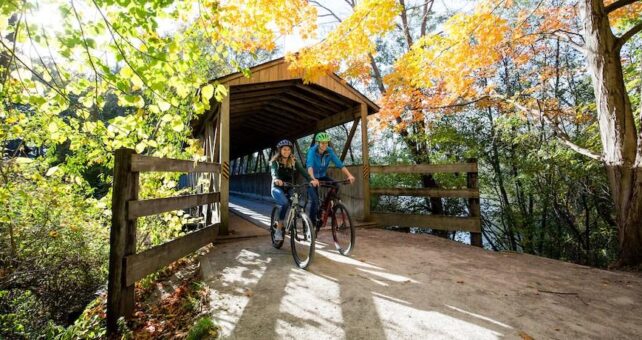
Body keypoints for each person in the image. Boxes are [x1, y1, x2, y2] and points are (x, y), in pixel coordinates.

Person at [306, 132, 355, 228]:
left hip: (322, 176)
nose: (324, 145)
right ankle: (311, 224)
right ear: (317, 143)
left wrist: (349, 175)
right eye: (322, 143)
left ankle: (327, 206)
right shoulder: (312, 151)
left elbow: (339, 163)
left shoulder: (329, 151)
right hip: (312, 177)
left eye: (326, 143)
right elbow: (310, 166)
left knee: (336, 185)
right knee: (315, 201)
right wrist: (313, 179)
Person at [270, 139, 313, 241]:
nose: (286, 152)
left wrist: (311, 180)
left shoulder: (293, 161)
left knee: (297, 203)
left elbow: (303, 171)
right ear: (280, 150)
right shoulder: (275, 162)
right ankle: (279, 230)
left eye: (288, 150)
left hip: (289, 187)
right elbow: (273, 172)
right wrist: (276, 179)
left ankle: (300, 225)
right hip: (277, 188)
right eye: (284, 149)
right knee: (285, 203)